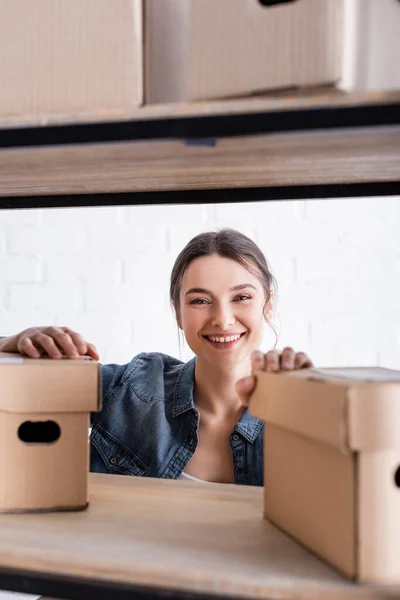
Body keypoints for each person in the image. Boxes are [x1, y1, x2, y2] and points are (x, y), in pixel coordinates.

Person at [0, 228, 313, 486]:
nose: (223, 318)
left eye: (241, 297)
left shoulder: (293, 414)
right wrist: (12, 344)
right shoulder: (134, 389)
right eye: (201, 300)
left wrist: (310, 404)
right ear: (178, 312)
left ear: (268, 305)